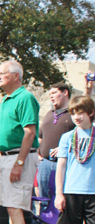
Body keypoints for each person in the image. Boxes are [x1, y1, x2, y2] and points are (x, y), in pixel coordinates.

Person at [0, 59, 39, 224]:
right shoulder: (6, 99)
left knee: (15, 207)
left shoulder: (25, 98)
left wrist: (19, 163)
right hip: (4, 157)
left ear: (16, 76)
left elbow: (30, 132)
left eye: (2, 73)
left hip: (18, 157)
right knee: (11, 207)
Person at [54, 95, 95, 224]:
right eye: (73, 113)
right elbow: (61, 167)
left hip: (92, 192)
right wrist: (59, 193)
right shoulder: (67, 137)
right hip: (71, 191)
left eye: (80, 113)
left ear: (91, 113)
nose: (76, 117)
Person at [37, 83, 75, 212]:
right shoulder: (49, 113)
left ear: (65, 93)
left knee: (61, 203)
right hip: (45, 164)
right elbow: (40, 136)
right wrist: (38, 151)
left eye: (54, 93)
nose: (51, 96)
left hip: (63, 164)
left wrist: (65, 148)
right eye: (50, 94)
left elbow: (80, 136)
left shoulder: (74, 114)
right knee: (44, 202)